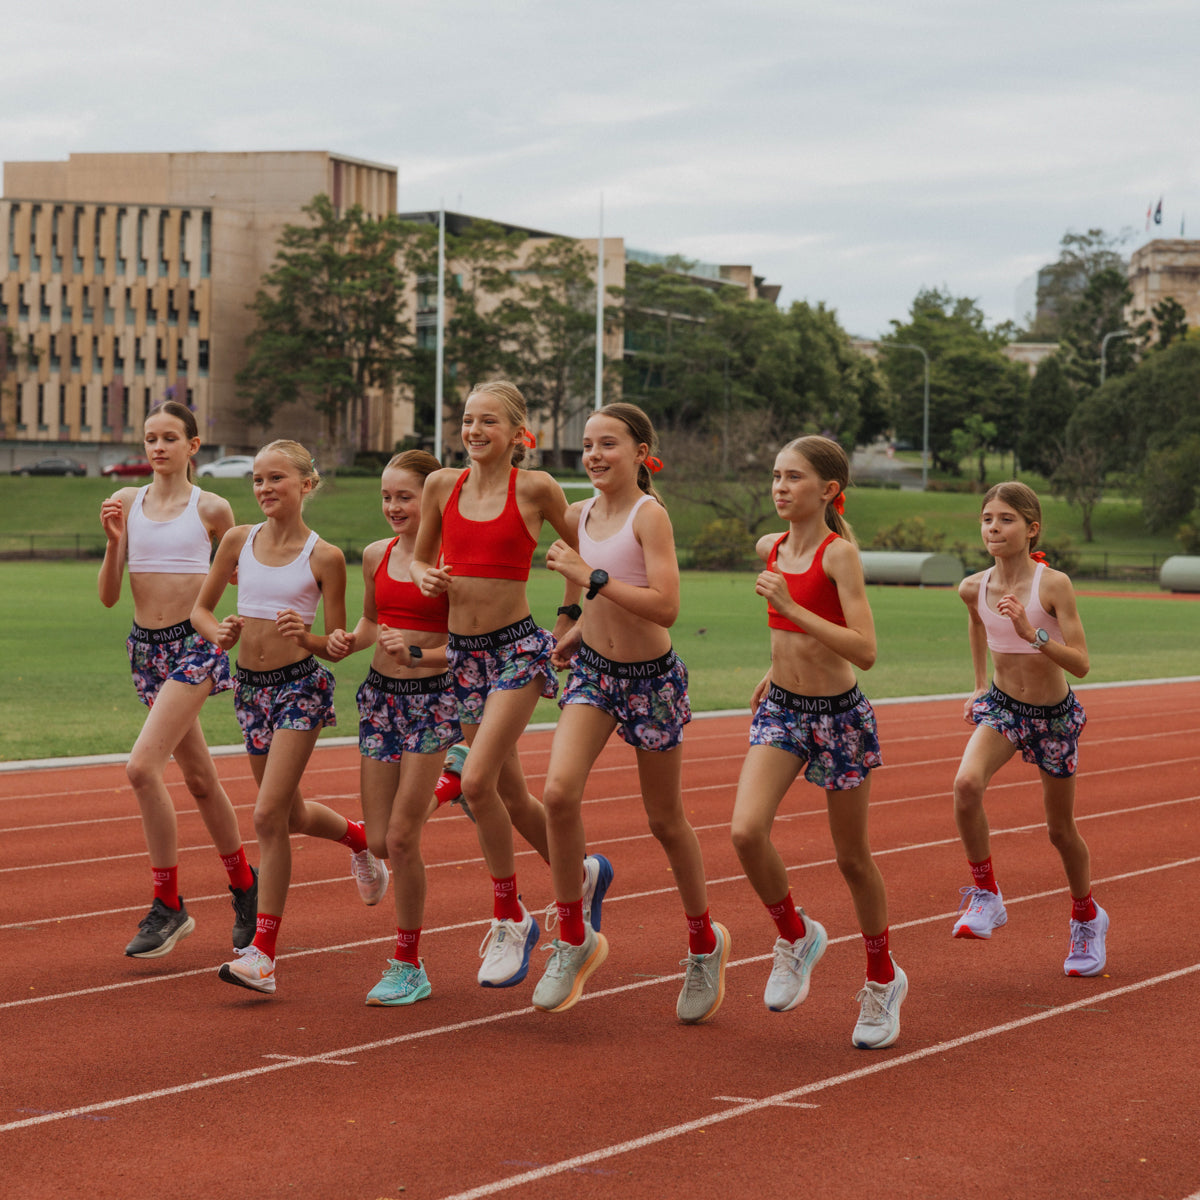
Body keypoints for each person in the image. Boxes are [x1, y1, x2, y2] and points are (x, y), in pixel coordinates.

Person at [411, 380, 611, 989]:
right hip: (463, 656)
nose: (474, 431)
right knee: (508, 795)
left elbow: (584, 551)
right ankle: (581, 872)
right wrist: (426, 578)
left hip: (517, 650)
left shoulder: (536, 488)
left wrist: (569, 617)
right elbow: (420, 556)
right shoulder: (441, 485)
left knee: (473, 780)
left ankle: (510, 915)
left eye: (488, 422)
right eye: (468, 420)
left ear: (518, 434)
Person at [533, 403, 728, 1022]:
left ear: (642, 451)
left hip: (651, 680)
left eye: (608, 444)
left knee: (665, 820)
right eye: (587, 444)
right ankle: (573, 937)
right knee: (558, 795)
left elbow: (665, 605)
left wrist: (589, 578)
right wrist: (572, 625)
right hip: (594, 670)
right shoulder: (580, 511)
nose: (593, 455)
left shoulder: (652, 516)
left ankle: (704, 944)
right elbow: (578, 581)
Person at [190, 440, 388, 996]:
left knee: (266, 814)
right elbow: (200, 611)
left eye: (276, 478)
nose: (264, 488)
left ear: (307, 483)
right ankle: (360, 841)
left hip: (299, 687)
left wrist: (311, 638)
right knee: (290, 813)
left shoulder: (323, 557)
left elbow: (337, 644)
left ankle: (264, 955)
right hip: (249, 690)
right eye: (257, 479)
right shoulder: (237, 540)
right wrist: (219, 633)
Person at [730, 435, 906, 1050]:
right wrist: (772, 670)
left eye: (794, 477)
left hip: (838, 717)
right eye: (776, 476)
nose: (780, 487)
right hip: (783, 708)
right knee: (746, 831)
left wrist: (791, 607)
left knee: (852, 859)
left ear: (828, 490)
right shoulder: (769, 546)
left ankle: (882, 979)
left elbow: (865, 650)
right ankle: (795, 934)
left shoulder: (839, 556)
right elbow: (791, 638)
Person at [98, 400, 257, 958]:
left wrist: (241, 625)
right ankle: (244, 884)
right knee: (199, 779)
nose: (158, 447)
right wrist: (116, 541)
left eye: (170, 437)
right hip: (146, 651)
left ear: (193, 446)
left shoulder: (212, 508)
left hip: (194, 648)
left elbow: (244, 574)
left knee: (142, 768)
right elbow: (109, 595)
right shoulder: (125, 502)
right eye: (150, 438)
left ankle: (169, 906)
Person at [327, 450, 475, 1007]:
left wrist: (417, 653)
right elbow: (370, 622)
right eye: (386, 496)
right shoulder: (374, 555)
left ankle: (409, 963)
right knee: (383, 839)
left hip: (433, 703)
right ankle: (454, 784)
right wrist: (344, 641)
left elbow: (464, 649)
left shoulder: (451, 563)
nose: (393, 506)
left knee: (405, 840)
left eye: (405, 496)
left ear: (431, 498)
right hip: (380, 701)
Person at [951, 481, 1105, 976]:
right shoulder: (973, 587)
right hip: (1003, 707)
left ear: (1031, 528)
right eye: (987, 519)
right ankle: (986, 893)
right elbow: (976, 625)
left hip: (1053, 715)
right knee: (966, 785)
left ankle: (1086, 916)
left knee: (1060, 831)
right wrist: (978, 684)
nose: (993, 527)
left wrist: (1031, 634)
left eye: (1006, 519)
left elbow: (1081, 664)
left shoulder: (1052, 584)